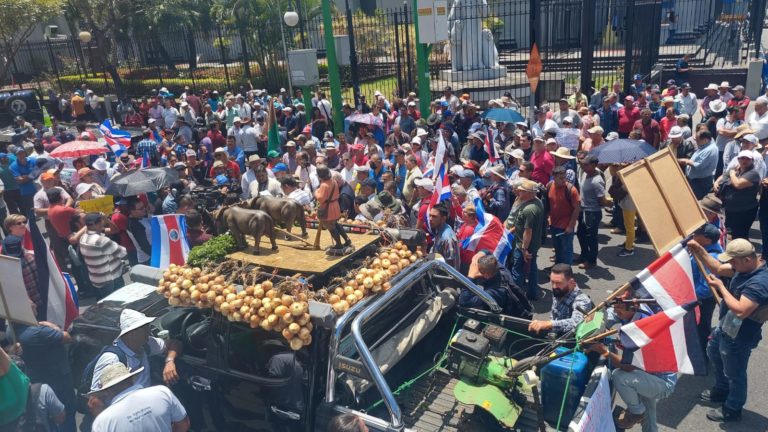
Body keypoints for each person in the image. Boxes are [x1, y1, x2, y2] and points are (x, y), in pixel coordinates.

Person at [688, 239, 768, 422]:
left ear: (747, 259)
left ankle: (732, 408)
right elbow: (717, 267)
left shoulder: (759, 283)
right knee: (714, 352)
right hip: (727, 326)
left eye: (733, 261)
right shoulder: (744, 267)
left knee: (735, 373)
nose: (730, 264)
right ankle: (722, 390)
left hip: (740, 335)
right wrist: (699, 249)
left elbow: (741, 311)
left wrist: (721, 287)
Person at [585, 298, 677, 431]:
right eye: (615, 306)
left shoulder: (640, 329)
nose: (616, 311)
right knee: (648, 414)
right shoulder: (635, 310)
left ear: (634, 306)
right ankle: (642, 416)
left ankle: (636, 413)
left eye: (619, 308)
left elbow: (627, 366)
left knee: (620, 376)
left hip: (661, 381)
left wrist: (603, 351)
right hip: (648, 371)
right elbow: (605, 316)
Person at [89, 363, 190, 432]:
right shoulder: (162, 392)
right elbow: (183, 425)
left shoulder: (102, 421)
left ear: (106, 392)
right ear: (132, 379)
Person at [17, 316, 76, 432]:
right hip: (58, 379)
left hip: (38, 380)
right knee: (66, 414)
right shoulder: (37, 331)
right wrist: (52, 326)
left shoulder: (17, 331)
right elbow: (67, 337)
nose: (35, 306)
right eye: (31, 306)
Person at [462, 251, 532, 318]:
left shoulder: (494, 291)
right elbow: (487, 252)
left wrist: (471, 276)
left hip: (511, 316)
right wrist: (479, 255)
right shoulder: (500, 268)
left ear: (486, 275)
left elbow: (464, 301)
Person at [528, 264, 594, 335]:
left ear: (571, 282)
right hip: (555, 334)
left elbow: (577, 322)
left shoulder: (582, 300)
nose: (554, 286)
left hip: (569, 339)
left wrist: (549, 324)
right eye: (552, 282)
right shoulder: (559, 290)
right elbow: (554, 316)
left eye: (558, 283)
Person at [508, 179, 545, 300]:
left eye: (522, 190)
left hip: (524, 246)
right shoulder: (537, 202)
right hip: (533, 244)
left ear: (529, 193)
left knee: (517, 271)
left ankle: (517, 297)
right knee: (532, 269)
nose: (519, 192)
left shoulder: (529, 209)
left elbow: (528, 231)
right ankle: (532, 294)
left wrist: (524, 249)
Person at [79, 212, 128, 298]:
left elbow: (115, 230)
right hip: (110, 280)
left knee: (105, 303)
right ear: (98, 223)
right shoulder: (101, 241)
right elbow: (123, 252)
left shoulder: (83, 238)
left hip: (97, 280)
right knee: (119, 302)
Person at [577, 155, 611, 269]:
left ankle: (591, 261)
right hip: (584, 210)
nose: (583, 166)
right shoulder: (585, 173)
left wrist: (610, 204)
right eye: (582, 164)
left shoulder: (597, 181)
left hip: (592, 213)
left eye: (586, 164)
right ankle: (584, 255)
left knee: (591, 238)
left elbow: (602, 200)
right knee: (581, 234)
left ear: (594, 165)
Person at [718, 151, 761, 239]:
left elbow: (738, 184)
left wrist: (731, 175)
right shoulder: (736, 170)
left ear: (752, 160)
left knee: (741, 235)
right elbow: (723, 177)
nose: (744, 161)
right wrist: (717, 183)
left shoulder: (753, 173)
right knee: (730, 233)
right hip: (731, 209)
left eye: (747, 159)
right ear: (738, 159)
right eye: (742, 158)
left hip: (744, 211)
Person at [315, 166, 353, 255]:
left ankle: (338, 244)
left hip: (328, 208)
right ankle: (347, 240)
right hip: (335, 205)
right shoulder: (333, 181)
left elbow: (321, 198)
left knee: (330, 226)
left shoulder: (324, 185)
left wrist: (316, 192)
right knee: (335, 223)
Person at [546, 166, 580, 265]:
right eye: (561, 178)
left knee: (566, 250)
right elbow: (548, 203)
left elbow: (577, 209)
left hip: (565, 226)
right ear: (554, 176)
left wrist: (570, 226)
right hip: (553, 224)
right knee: (558, 249)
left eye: (564, 177)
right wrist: (548, 217)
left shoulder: (571, 190)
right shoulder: (549, 185)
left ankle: (567, 270)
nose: (564, 180)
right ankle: (558, 268)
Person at [681, 130, 718, 199]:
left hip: (700, 182)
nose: (696, 142)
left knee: (697, 201)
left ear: (705, 140)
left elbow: (700, 166)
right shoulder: (705, 146)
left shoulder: (711, 149)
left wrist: (687, 161)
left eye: (698, 140)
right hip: (695, 181)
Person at [428, 202, 459, 270]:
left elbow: (451, 266)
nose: (430, 219)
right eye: (430, 215)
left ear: (443, 219)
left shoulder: (447, 239)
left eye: (434, 216)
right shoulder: (439, 228)